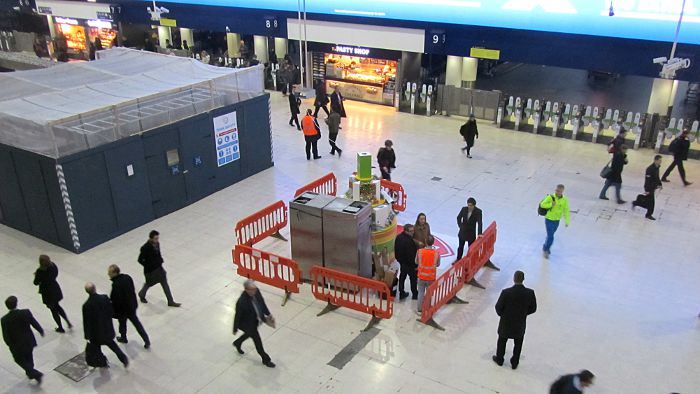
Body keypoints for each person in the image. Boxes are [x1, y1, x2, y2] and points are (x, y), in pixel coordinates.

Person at [492, 270, 537, 370]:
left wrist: (503, 315)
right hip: (519, 323)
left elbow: (498, 307)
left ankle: (500, 359)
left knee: (502, 341)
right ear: (523, 279)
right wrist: (524, 314)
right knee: (518, 343)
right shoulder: (529, 293)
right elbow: (533, 308)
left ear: (514, 279)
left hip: (506, 322)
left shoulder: (506, 292)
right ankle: (514, 362)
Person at [82, 283, 129, 368]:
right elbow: (111, 310)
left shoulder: (86, 306)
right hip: (107, 329)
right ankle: (123, 359)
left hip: (96, 334)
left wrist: (87, 335)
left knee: (97, 349)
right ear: (95, 289)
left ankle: (102, 362)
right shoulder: (104, 298)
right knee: (113, 346)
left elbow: (86, 322)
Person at [232, 280, 276, 368]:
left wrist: (268, 314)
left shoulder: (256, 292)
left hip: (255, 320)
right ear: (246, 290)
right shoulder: (242, 302)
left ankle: (237, 342)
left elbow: (262, 303)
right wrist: (235, 329)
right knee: (257, 341)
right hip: (247, 324)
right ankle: (266, 360)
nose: (254, 291)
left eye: (255, 289)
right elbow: (237, 316)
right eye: (251, 290)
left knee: (249, 334)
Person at [1, 296, 44, 384]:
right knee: (29, 356)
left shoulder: (4, 320)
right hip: (28, 341)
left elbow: (5, 334)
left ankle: (34, 373)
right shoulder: (25, 312)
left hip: (16, 344)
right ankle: (31, 373)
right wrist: (40, 330)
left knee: (18, 359)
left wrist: (9, 344)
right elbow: (34, 322)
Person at [108, 265, 150, 349]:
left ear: (115, 273)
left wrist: (113, 310)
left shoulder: (116, 284)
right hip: (131, 306)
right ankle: (146, 340)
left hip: (123, 310)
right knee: (137, 324)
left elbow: (115, 299)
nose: (108, 274)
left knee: (122, 324)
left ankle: (123, 338)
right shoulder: (127, 277)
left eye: (110, 273)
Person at [137, 230, 181, 307]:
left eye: (158, 238)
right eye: (155, 238)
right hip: (150, 271)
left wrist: (160, 260)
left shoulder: (157, 244)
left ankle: (170, 301)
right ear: (151, 239)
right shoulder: (145, 248)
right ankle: (141, 294)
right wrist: (148, 265)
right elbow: (140, 260)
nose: (157, 240)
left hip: (159, 268)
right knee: (149, 283)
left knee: (165, 283)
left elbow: (158, 254)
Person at [33, 255, 72, 333]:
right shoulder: (53, 266)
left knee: (53, 310)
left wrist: (36, 275)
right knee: (58, 306)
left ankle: (60, 327)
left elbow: (35, 282)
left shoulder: (40, 271)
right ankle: (67, 321)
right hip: (55, 289)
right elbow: (56, 274)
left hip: (47, 293)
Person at [539, 184, 570, 259]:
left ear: (562, 191)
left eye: (559, 191)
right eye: (556, 190)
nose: (557, 192)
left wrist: (567, 221)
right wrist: (551, 205)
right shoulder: (551, 197)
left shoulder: (565, 200)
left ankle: (546, 245)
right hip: (549, 219)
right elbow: (542, 205)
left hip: (557, 220)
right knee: (551, 236)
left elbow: (566, 210)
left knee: (550, 235)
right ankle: (546, 249)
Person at [633, 155, 663, 220]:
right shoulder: (650, 169)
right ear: (655, 160)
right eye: (659, 160)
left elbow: (657, 177)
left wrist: (660, 184)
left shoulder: (657, 167)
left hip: (653, 187)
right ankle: (648, 214)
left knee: (648, 201)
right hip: (649, 187)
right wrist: (647, 189)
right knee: (652, 202)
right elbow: (647, 180)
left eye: (661, 161)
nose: (660, 162)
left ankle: (637, 202)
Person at [416, 236, 440, 315]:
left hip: (421, 276)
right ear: (433, 242)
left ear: (425, 242)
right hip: (431, 277)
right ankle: (427, 307)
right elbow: (438, 264)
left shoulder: (420, 251)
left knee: (420, 293)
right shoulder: (436, 253)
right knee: (429, 293)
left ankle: (419, 309)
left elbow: (416, 262)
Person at [394, 224, 418, 300]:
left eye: (413, 231)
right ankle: (415, 294)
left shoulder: (398, 237)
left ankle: (401, 292)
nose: (413, 232)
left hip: (402, 262)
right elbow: (411, 255)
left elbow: (396, 249)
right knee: (413, 279)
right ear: (406, 231)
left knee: (402, 276)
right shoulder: (409, 241)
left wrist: (399, 259)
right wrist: (415, 265)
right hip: (409, 264)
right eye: (411, 231)